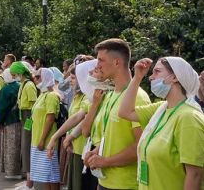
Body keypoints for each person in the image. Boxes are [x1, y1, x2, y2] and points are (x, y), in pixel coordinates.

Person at [119, 57, 204, 190]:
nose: (151, 77)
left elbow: (195, 175)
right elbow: (124, 112)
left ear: (175, 77)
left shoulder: (189, 118)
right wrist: (137, 78)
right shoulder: (162, 108)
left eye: (157, 72)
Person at [84, 39, 151, 190]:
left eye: (101, 60)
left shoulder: (137, 97)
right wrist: (95, 153)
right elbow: (114, 138)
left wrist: (105, 161)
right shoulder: (110, 95)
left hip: (125, 185)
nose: (97, 66)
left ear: (116, 62)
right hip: (105, 182)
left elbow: (141, 146)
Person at [46, 59, 97, 190]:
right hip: (77, 148)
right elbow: (74, 118)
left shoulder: (90, 97)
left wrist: (68, 137)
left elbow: (81, 119)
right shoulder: (80, 96)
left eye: (73, 78)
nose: (71, 81)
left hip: (85, 148)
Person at [29, 68, 61, 189]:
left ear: (46, 78)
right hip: (37, 139)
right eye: (35, 77)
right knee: (45, 175)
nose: (35, 79)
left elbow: (50, 118)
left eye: (38, 77)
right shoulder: (42, 95)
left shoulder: (51, 96)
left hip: (47, 141)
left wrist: (42, 139)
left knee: (51, 174)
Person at [0, 68, 22, 180]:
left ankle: (12, 172)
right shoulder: (20, 85)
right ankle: (22, 170)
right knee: (20, 145)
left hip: (9, 120)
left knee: (10, 146)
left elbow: (2, 107)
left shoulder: (5, 89)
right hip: (21, 119)